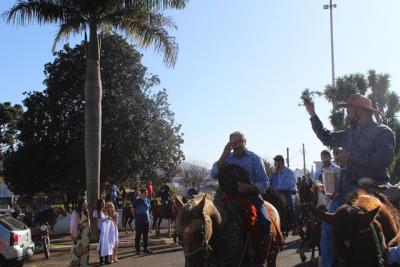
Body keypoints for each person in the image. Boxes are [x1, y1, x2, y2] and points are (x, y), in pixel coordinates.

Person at [304, 93, 395, 267]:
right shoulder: (348, 133)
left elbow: (384, 159)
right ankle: (328, 264)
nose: (347, 113)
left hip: (378, 185)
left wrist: (351, 156)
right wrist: (313, 115)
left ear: (360, 110)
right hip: (350, 189)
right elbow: (327, 137)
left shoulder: (383, 132)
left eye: (349, 109)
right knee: (329, 223)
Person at [210, 131, 270, 234]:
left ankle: (262, 248)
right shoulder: (226, 158)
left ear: (245, 142)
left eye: (239, 142)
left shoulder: (255, 158)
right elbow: (214, 174)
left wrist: (250, 187)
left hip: (251, 196)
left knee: (264, 222)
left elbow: (264, 182)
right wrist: (224, 154)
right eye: (234, 143)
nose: (237, 146)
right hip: (228, 197)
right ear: (230, 145)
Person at [269, 155, 298, 235]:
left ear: (281, 162)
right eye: (275, 163)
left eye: (276, 163)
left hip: (289, 191)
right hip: (278, 192)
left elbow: (288, 185)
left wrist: (276, 188)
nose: (274, 164)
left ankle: (295, 226)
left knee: (290, 205)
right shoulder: (275, 174)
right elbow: (269, 182)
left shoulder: (288, 172)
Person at [69, 198, 90, 267]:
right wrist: (74, 235)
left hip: (86, 237)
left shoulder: (86, 212)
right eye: (84, 203)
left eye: (86, 203)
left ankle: (84, 265)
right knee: (76, 253)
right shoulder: (76, 213)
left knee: (85, 253)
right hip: (79, 236)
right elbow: (73, 225)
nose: (85, 204)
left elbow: (88, 224)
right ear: (80, 204)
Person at [132, 189, 153, 255]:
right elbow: (132, 209)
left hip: (146, 220)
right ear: (141, 193)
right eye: (145, 193)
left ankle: (146, 248)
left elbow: (148, 209)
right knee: (138, 235)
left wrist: (147, 216)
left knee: (146, 236)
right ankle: (137, 250)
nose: (146, 194)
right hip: (139, 221)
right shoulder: (137, 201)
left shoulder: (148, 200)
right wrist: (135, 217)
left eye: (147, 193)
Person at [92, 199, 112, 265]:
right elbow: (95, 223)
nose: (103, 204)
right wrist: (96, 232)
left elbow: (107, 219)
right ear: (99, 204)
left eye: (104, 203)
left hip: (106, 231)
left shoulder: (105, 211)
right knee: (101, 246)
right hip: (100, 230)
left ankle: (107, 259)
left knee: (107, 245)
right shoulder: (96, 211)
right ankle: (101, 260)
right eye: (102, 203)